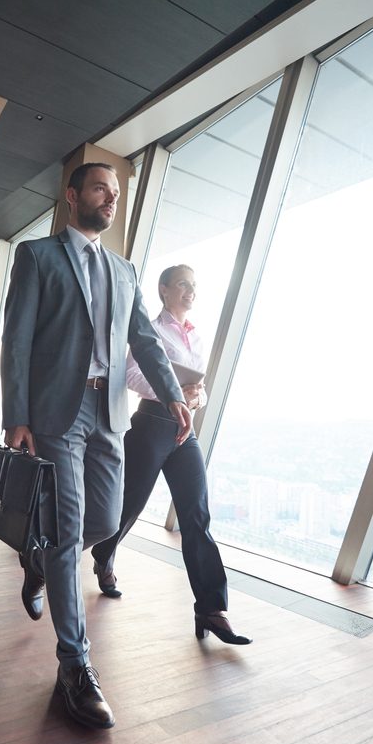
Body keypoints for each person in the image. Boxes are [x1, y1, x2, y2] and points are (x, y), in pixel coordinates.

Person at [1, 162, 192, 730]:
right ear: (72, 196)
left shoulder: (124, 269)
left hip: (108, 411)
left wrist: (173, 393)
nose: (109, 198)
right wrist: (18, 415)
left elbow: (145, 341)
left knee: (104, 521)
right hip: (56, 410)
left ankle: (38, 562)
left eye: (115, 193)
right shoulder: (38, 256)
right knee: (68, 528)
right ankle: (74, 664)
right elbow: (16, 339)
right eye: (99, 189)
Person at [91, 265, 251, 645]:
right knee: (127, 506)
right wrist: (175, 391)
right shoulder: (153, 331)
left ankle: (211, 609)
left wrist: (196, 397)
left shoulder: (196, 336)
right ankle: (103, 553)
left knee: (196, 514)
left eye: (194, 285)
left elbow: (200, 387)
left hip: (184, 430)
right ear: (164, 290)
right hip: (150, 425)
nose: (191, 291)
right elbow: (131, 376)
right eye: (183, 284)